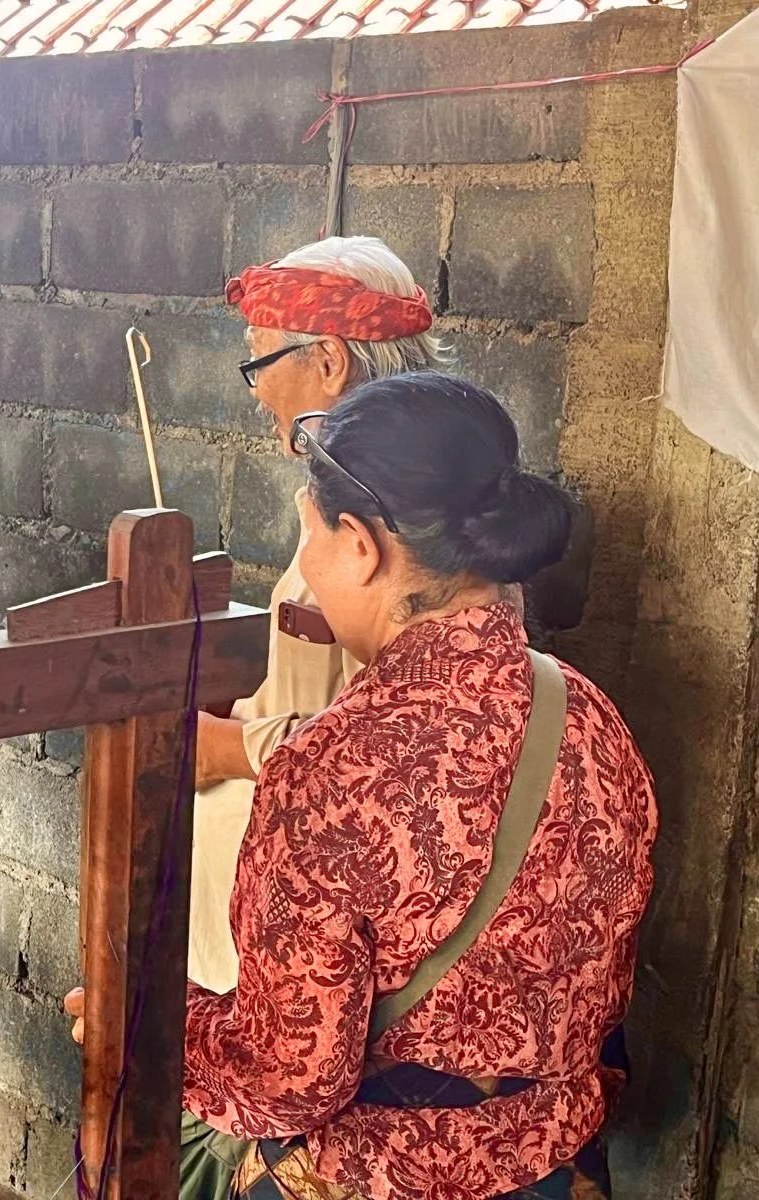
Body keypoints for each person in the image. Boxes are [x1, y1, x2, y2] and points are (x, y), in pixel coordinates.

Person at [71, 372, 657, 1199]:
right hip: (556, 1168)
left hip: (380, 1178)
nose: (307, 560)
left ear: (360, 545)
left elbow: (286, 1080)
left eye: (309, 534)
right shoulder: (592, 719)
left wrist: (143, 1029)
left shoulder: (330, 774)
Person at [189, 236, 453, 994]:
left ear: (329, 363)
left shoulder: (405, 519)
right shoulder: (345, 495)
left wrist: (230, 749)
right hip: (264, 922)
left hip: (316, 947)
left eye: (261, 361)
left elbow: (407, 743)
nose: (253, 388)